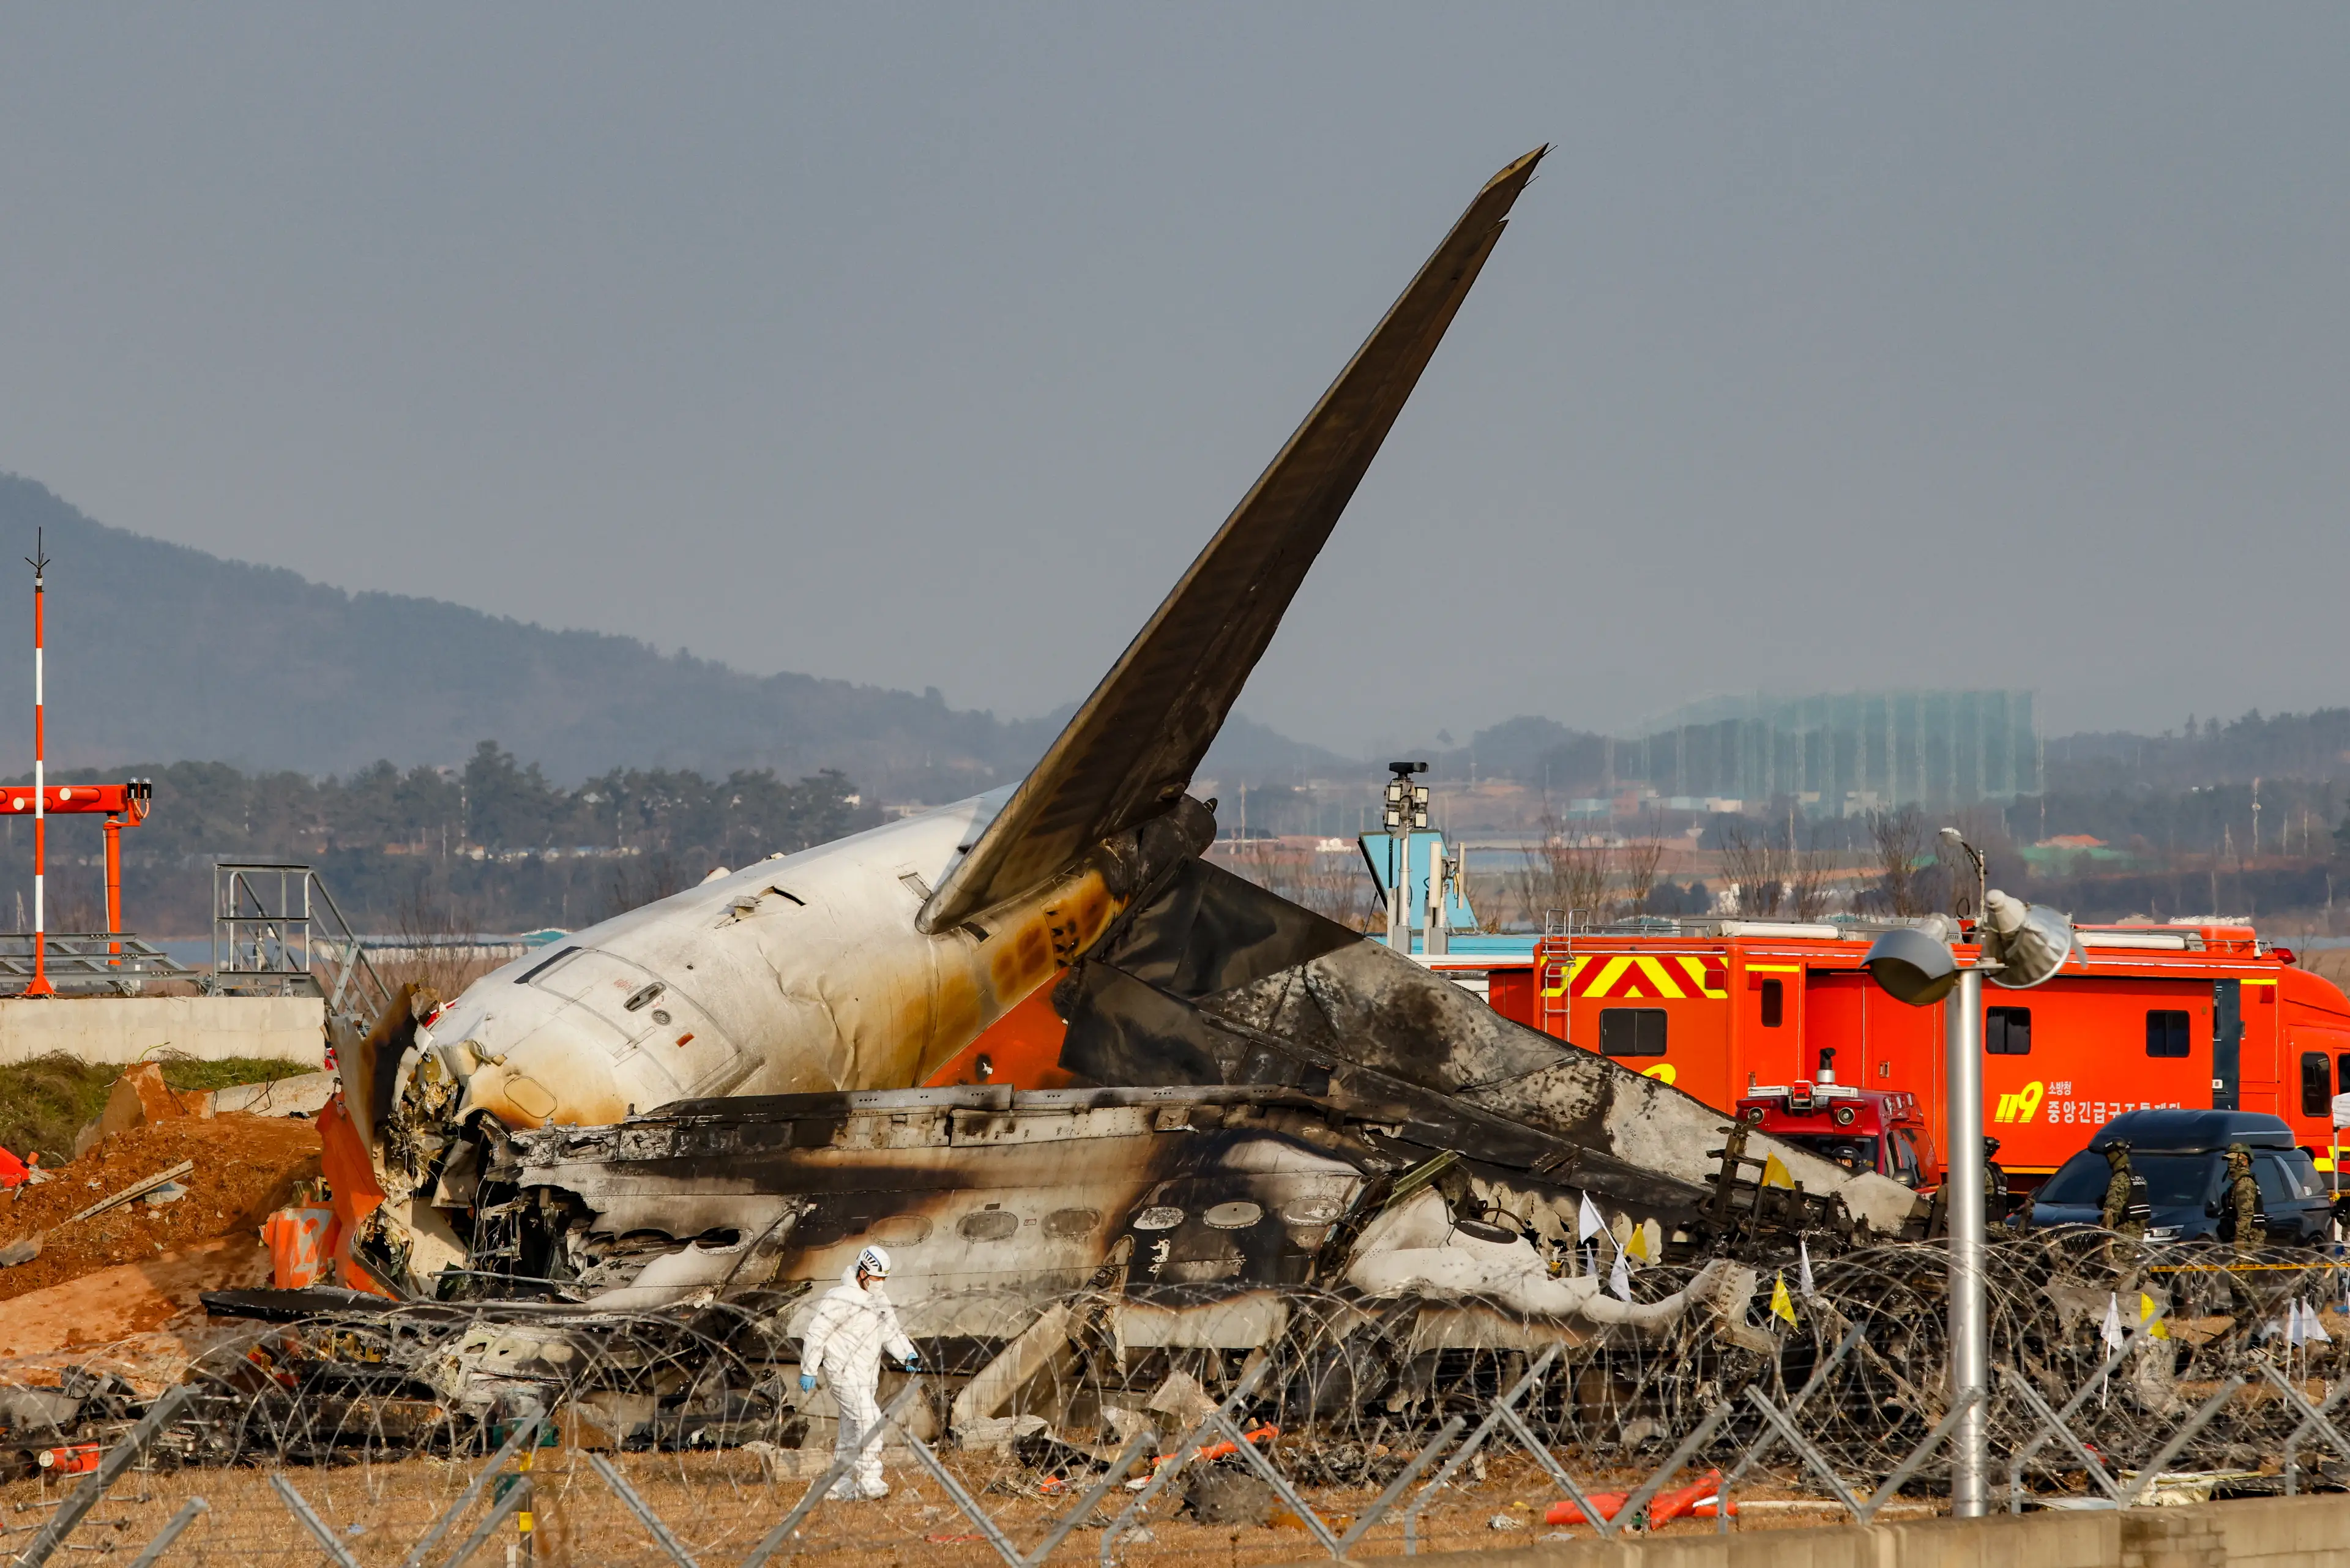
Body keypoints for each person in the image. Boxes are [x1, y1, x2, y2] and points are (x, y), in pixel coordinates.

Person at [799, 1245, 920, 1500]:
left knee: (851, 1431)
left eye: (883, 1279)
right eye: (876, 1278)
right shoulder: (839, 1297)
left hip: (866, 1377)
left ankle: (837, 1487)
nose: (880, 1283)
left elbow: (891, 1332)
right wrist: (809, 1369)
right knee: (869, 1421)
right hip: (842, 1373)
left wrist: (907, 1353)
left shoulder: (879, 1300)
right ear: (863, 1273)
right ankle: (870, 1482)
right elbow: (817, 1333)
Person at [2221, 1143, 2264, 1256]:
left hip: (2248, 1239)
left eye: (2233, 1159)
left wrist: (2240, 1240)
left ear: (2244, 1161)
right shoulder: (2239, 1183)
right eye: (2229, 1160)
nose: (2230, 1164)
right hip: (2247, 1237)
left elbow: (2246, 1214)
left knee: (2242, 1271)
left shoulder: (2244, 1183)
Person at [2099, 1141, 2144, 1238]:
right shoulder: (2137, 1176)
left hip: (2122, 1237)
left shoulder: (2120, 1178)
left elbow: (2111, 1213)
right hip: (2138, 1237)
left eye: (2108, 1155)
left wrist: (2104, 1239)